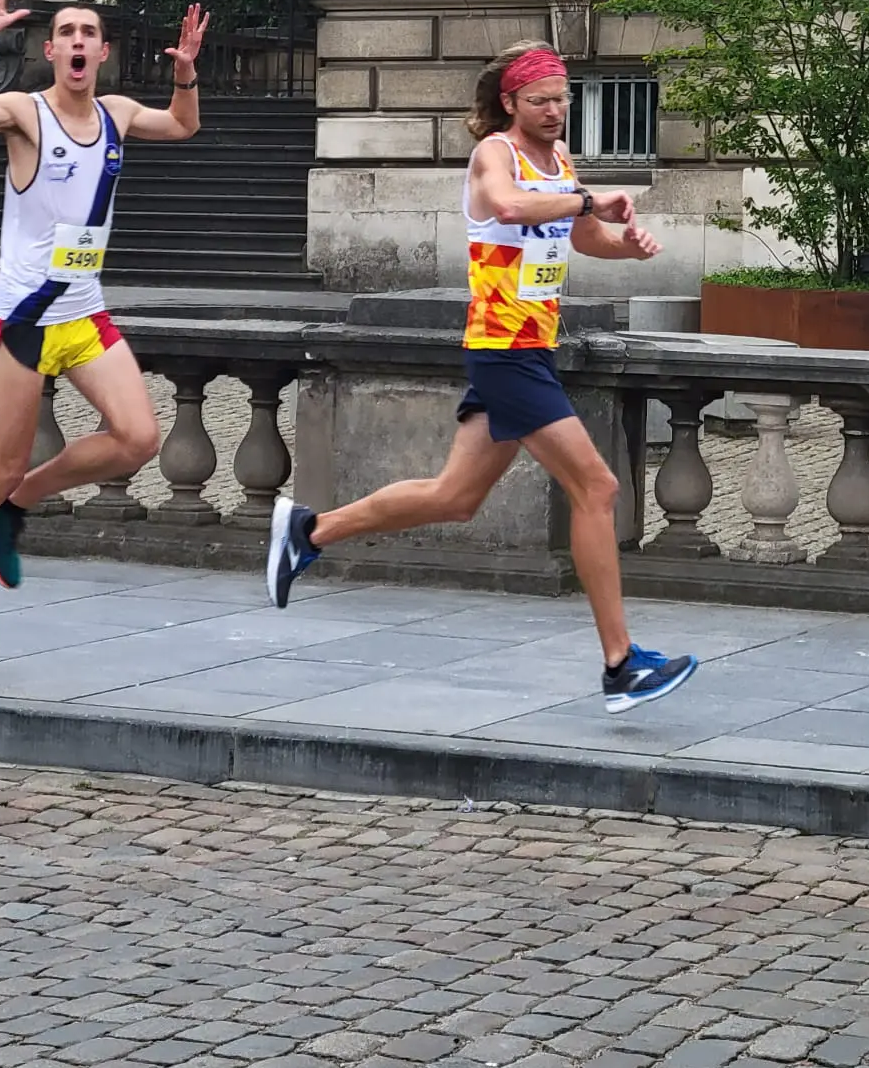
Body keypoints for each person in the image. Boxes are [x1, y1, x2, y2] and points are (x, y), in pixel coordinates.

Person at [265, 41, 699, 712]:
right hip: (504, 350)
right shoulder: (495, 153)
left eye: (562, 99)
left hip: (532, 348)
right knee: (597, 485)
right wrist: (587, 202)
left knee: (455, 496)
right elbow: (508, 207)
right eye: (541, 101)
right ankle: (619, 664)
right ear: (509, 102)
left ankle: (309, 533)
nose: (556, 111)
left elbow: (579, 240)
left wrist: (625, 243)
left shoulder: (557, 160)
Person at [0, 0, 209, 660]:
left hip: (85, 310)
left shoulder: (118, 113)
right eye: (63, 30)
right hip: (28, 318)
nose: (74, 41)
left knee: (137, 438)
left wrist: (184, 72)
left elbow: (183, 127)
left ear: (102, 53)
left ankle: (20, 502)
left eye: (87, 32)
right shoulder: (24, 114)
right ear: (50, 52)